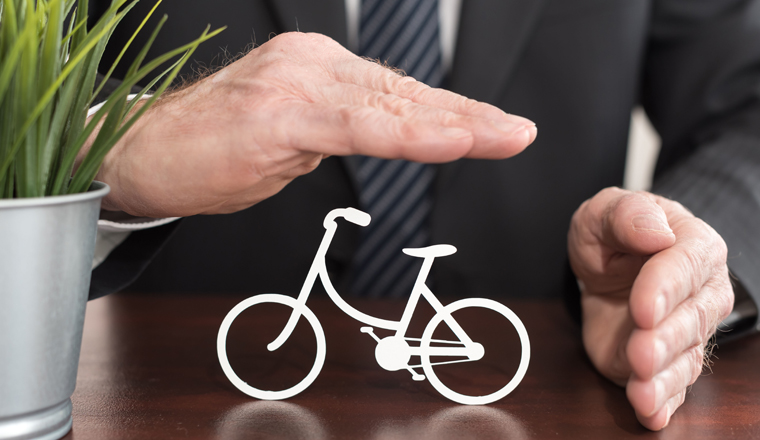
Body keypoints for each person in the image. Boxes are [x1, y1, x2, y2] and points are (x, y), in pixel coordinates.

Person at [85, 0, 759, 431]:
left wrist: (675, 264)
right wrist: (105, 144)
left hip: (549, 391)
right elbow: (20, 66)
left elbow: (747, 104)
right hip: (174, 401)